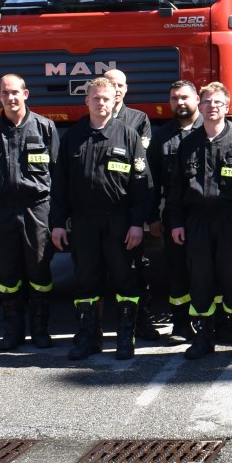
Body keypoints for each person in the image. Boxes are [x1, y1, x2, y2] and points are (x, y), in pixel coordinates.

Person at [51, 77, 152, 360]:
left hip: (119, 221)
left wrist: (137, 223)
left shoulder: (128, 136)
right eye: (95, 98)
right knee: (85, 280)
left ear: (115, 99)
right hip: (83, 221)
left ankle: (125, 338)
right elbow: (59, 185)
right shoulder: (72, 137)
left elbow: (141, 183)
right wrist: (58, 223)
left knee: (125, 278)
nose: (101, 103)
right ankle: (89, 338)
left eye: (106, 98)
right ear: (87, 101)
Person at [167, 82, 232, 359]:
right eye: (207, 101)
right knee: (200, 280)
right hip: (196, 222)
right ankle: (203, 338)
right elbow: (175, 190)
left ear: (227, 107)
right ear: (200, 104)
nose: (212, 107)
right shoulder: (188, 144)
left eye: (218, 102)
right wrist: (176, 222)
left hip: (231, 222)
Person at [0, 73, 58, 351]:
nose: (10, 97)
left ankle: (40, 330)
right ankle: (12, 331)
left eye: (15, 92)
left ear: (25, 94)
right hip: (3, 211)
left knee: (39, 269)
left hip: (36, 209)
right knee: (7, 274)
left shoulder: (45, 127)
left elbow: (56, 172)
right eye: (5, 93)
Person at [104, 67, 165, 343]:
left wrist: (145, 214)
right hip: (102, 210)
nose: (116, 89)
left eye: (120, 85)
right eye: (110, 84)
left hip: (130, 207)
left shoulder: (139, 119)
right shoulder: (92, 122)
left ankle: (142, 321)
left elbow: (142, 165)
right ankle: (99, 327)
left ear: (126, 89)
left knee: (136, 267)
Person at [150, 80, 202, 343]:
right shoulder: (161, 136)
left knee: (208, 269)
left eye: (184, 97)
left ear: (197, 99)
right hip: (174, 216)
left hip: (206, 216)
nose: (179, 102)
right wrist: (152, 217)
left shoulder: (211, 130)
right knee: (178, 270)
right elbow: (151, 180)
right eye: (174, 98)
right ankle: (181, 324)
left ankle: (210, 323)